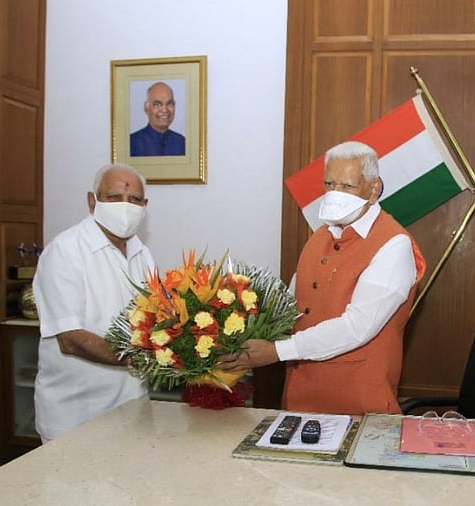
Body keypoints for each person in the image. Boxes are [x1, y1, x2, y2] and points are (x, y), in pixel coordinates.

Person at [218, 141, 426, 415]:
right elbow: (288, 308)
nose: (335, 194)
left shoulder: (393, 245)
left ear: (374, 189)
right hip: (300, 399)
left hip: (359, 406)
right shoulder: (319, 237)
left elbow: (356, 327)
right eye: (329, 184)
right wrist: (234, 331)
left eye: (347, 186)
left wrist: (276, 351)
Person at [32, 163, 155, 442]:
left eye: (134, 200)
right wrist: (144, 359)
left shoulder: (142, 254)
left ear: (145, 205)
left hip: (133, 412)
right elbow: (70, 339)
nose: (125, 206)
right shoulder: (65, 251)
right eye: (114, 198)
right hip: (76, 417)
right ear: (92, 201)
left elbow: (154, 324)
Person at [129, 81, 186, 156]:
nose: (164, 110)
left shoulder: (181, 142)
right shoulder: (132, 142)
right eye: (157, 105)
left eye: (169, 103)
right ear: (146, 108)